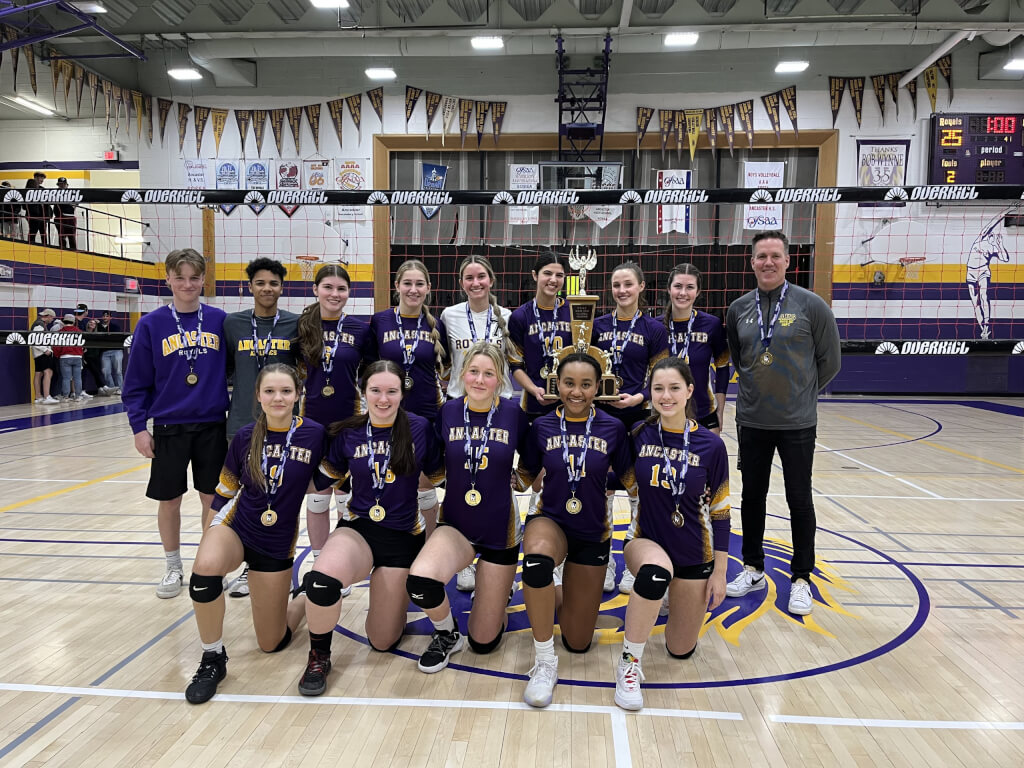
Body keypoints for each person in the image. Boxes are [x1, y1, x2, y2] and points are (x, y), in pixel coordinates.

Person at [296, 360, 444, 697]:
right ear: (364, 393)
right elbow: (320, 482)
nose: (383, 399)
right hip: (358, 530)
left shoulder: (420, 429)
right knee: (321, 582)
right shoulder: (348, 432)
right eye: (375, 390)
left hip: (402, 540)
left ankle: (388, 596)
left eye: (391, 391)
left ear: (401, 394)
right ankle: (319, 655)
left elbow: (439, 478)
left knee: (381, 640)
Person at [183, 364, 325, 704]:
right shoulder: (246, 436)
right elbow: (223, 492)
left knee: (271, 643)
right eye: (270, 391)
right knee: (204, 572)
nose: (278, 398)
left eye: (286, 391)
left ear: (297, 395)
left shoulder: (315, 434)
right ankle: (212, 658)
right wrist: (209, 536)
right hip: (237, 525)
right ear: (258, 396)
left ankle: (303, 595)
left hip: (276, 541)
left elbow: (332, 478)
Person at [725, 230, 841, 616]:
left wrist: (802, 394)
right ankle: (753, 567)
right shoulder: (739, 308)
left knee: (799, 500)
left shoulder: (812, 306)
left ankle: (802, 577)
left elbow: (831, 362)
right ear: (752, 261)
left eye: (776, 255)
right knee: (751, 498)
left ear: (788, 261)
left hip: (797, 424)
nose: (768, 262)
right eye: (761, 256)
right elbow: (739, 358)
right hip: (753, 420)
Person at [514, 352, 636, 708]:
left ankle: (559, 594)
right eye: (569, 383)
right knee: (536, 562)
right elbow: (523, 478)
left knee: (579, 640)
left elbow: (632, 483)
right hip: (550, 519)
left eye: (586, 384)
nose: (577, 392)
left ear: (598, 387)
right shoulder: (542, 426)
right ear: (558, 384)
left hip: (592, 530)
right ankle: (544, 661)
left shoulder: (613, 427)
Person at [614, 357, 730, 711]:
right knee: (653, 574)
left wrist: (720, 573)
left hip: (694, 552)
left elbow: (721, 513)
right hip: (645, 540)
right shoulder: (638, 435)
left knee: (680, 650)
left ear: (690, 391)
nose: (666, 396)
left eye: (674, 388)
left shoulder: (711, 446)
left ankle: (668, 599)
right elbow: (612, 479)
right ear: (649, 394)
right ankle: (629, 666)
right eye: (658, 389)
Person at [406, 342, 529, 673]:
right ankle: (447, 634)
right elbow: (432, 463)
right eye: (473, 371)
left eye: (489, 374)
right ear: (462, 374)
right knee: (420, 580)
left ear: (500, 380)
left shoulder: (513, 413)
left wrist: (518, 482)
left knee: (484, 642)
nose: (479, 379)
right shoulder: (447, 411)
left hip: (499, 529)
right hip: (456, 524)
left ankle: (497, 594)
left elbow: (532, 461)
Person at [122, 248, 230, 599]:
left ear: (203, 280)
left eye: (194, 277)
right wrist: (139, 428)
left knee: (211, 500)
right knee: (169, 500)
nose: (187, 284)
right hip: (168, 427)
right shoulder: (151, 324)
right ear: (167, 278)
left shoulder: (219, 320)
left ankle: (207, 563)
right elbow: (135, 383)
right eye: (180, 277)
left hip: (213, 424)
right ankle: (172, 566)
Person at [222, 258, 301, 598]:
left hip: (284, 427)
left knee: (282, 499)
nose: (267, 288)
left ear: (282, 288)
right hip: (242, 424)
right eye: (261, 283)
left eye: (273, 283)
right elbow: (224, 370)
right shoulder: (232, 324)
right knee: (247, 499)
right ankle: (247, 566)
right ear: (249, 286)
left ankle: (279, 563)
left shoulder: (296, 325)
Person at [296, 263, 373, 589]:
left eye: (341, 289)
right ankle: (318, 562)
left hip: (349, 423)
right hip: (310, 422)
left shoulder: (359, 328)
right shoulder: (301, 327)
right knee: (316, 497)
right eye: (327, 287)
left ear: (348, 293)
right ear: (316, 290)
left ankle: (340, 564)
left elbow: (370, 373)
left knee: (345, 496)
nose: (334, 294)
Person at [593, 261, 668, 594]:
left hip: (638, 418)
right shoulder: (595, 325)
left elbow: (659, 375)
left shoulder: (654, 329)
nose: (621, 290)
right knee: (603, 490)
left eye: (627, 284)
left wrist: (638, 397)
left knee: (640, 490)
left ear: (641, 287)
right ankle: (605, 561)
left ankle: (635, 564)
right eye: (616, 285)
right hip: (603, 418)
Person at [439, 255, 513, 593]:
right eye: (469, 278)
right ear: (461, 283)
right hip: (461, 405)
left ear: (491, 279)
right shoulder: (448, 316)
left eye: (481, 276)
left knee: (498, 484)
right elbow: (441, 360)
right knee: (461, 479)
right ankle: (464, 563)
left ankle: (501, 560)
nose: (475, 283)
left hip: (501, 406)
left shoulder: (508, 317)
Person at [369, 259, 448, 535]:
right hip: (388, 413)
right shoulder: (380, 321)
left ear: (428, 288)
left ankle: (429, 545)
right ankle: (393, 538)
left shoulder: (436, 324)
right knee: (390, 480)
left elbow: (446, 369)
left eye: (419, 284)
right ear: (397, 286)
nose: (413, 290)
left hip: (427, 414)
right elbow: (367, 368)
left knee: (426, 485)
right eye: (407, 283)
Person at [506, 251, 572, 519]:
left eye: (559, 275)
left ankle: (557, 516)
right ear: (535, 276)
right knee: (536, 463)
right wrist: (533, 389)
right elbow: (515, 365)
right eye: (547, 273)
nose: (553, 279)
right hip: (534, 402)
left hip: (570, 402)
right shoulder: (520, 316)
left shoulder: (573, 311)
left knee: (564, 462)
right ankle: (536, 514)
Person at [663, 264, 730, 435]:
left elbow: (722, 368)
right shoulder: (655, 326)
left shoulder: (712, 324)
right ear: (669, 289)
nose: (683, 293)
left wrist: (720, 411)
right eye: (678, 286)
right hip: (664, 413)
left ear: (698, 292)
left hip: (704, 412)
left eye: (690, 287)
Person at [53, 314, 85, 402]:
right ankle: (78, 396)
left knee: (66, 378)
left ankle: (66, 396)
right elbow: (83, 345)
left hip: (64, 357)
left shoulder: (60, 332)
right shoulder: (79, 331)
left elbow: (56, 347)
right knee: (77, 378)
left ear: (63, 321)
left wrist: (58, 355)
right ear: (74, 322)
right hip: (77, 357)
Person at [31, 308, 59, 404]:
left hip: (37, 353)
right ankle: (47, 396)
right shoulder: (39, 325)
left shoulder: (38, 324)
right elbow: (34, 340)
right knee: (48, 371)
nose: (52, 320)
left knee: (39, 373)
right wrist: (45, 349)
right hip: (41, 353)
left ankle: (38, 397)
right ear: (48, 316)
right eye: (52, 318)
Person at [97, 311, 124, 394]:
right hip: (105, 352)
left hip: (116, 350)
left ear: (110, 317)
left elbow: (107, 335)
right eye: (104, 316)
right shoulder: (98, 327)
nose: (105, 317)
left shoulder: (115, 327)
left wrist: (100, 326)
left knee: (118, 371)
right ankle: (112, 388)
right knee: (106, 372)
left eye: (107, 316)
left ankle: (120, 389)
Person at [23, 177, 51, 246]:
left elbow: (46, 205)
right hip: (35, 216)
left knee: (36, 233)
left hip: (38, 216)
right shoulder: (30, 194)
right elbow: (24, 207)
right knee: (39, 233)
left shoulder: (27, 193)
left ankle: (31, 246)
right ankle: (43, 247)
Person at [54, 177, 77, 250]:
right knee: (62, 237)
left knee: (71, 237)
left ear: (67, 185)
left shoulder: (71, 193)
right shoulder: (55, 193)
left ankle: (73, 252)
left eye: (64, 184)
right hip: (59, 217)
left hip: (70, 217)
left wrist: (73, 206)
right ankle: (63, 251)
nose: (62, 186)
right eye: (60, 184)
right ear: (58, 185)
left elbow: (77, 201)